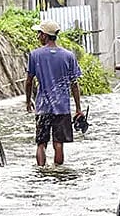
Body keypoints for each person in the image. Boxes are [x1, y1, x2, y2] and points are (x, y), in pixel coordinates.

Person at [26, 21, 83, 167]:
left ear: (44, 35)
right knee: (59, 144)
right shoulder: (69, 56)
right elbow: (74, 84)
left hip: (43, 107)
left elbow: (29, 81)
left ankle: (41, 171)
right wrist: (78, 108)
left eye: (39, 33)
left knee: (41, 143)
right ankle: (58, 172)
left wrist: (28, 101)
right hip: (62, 107)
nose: (38, 36)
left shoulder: (35, 55)